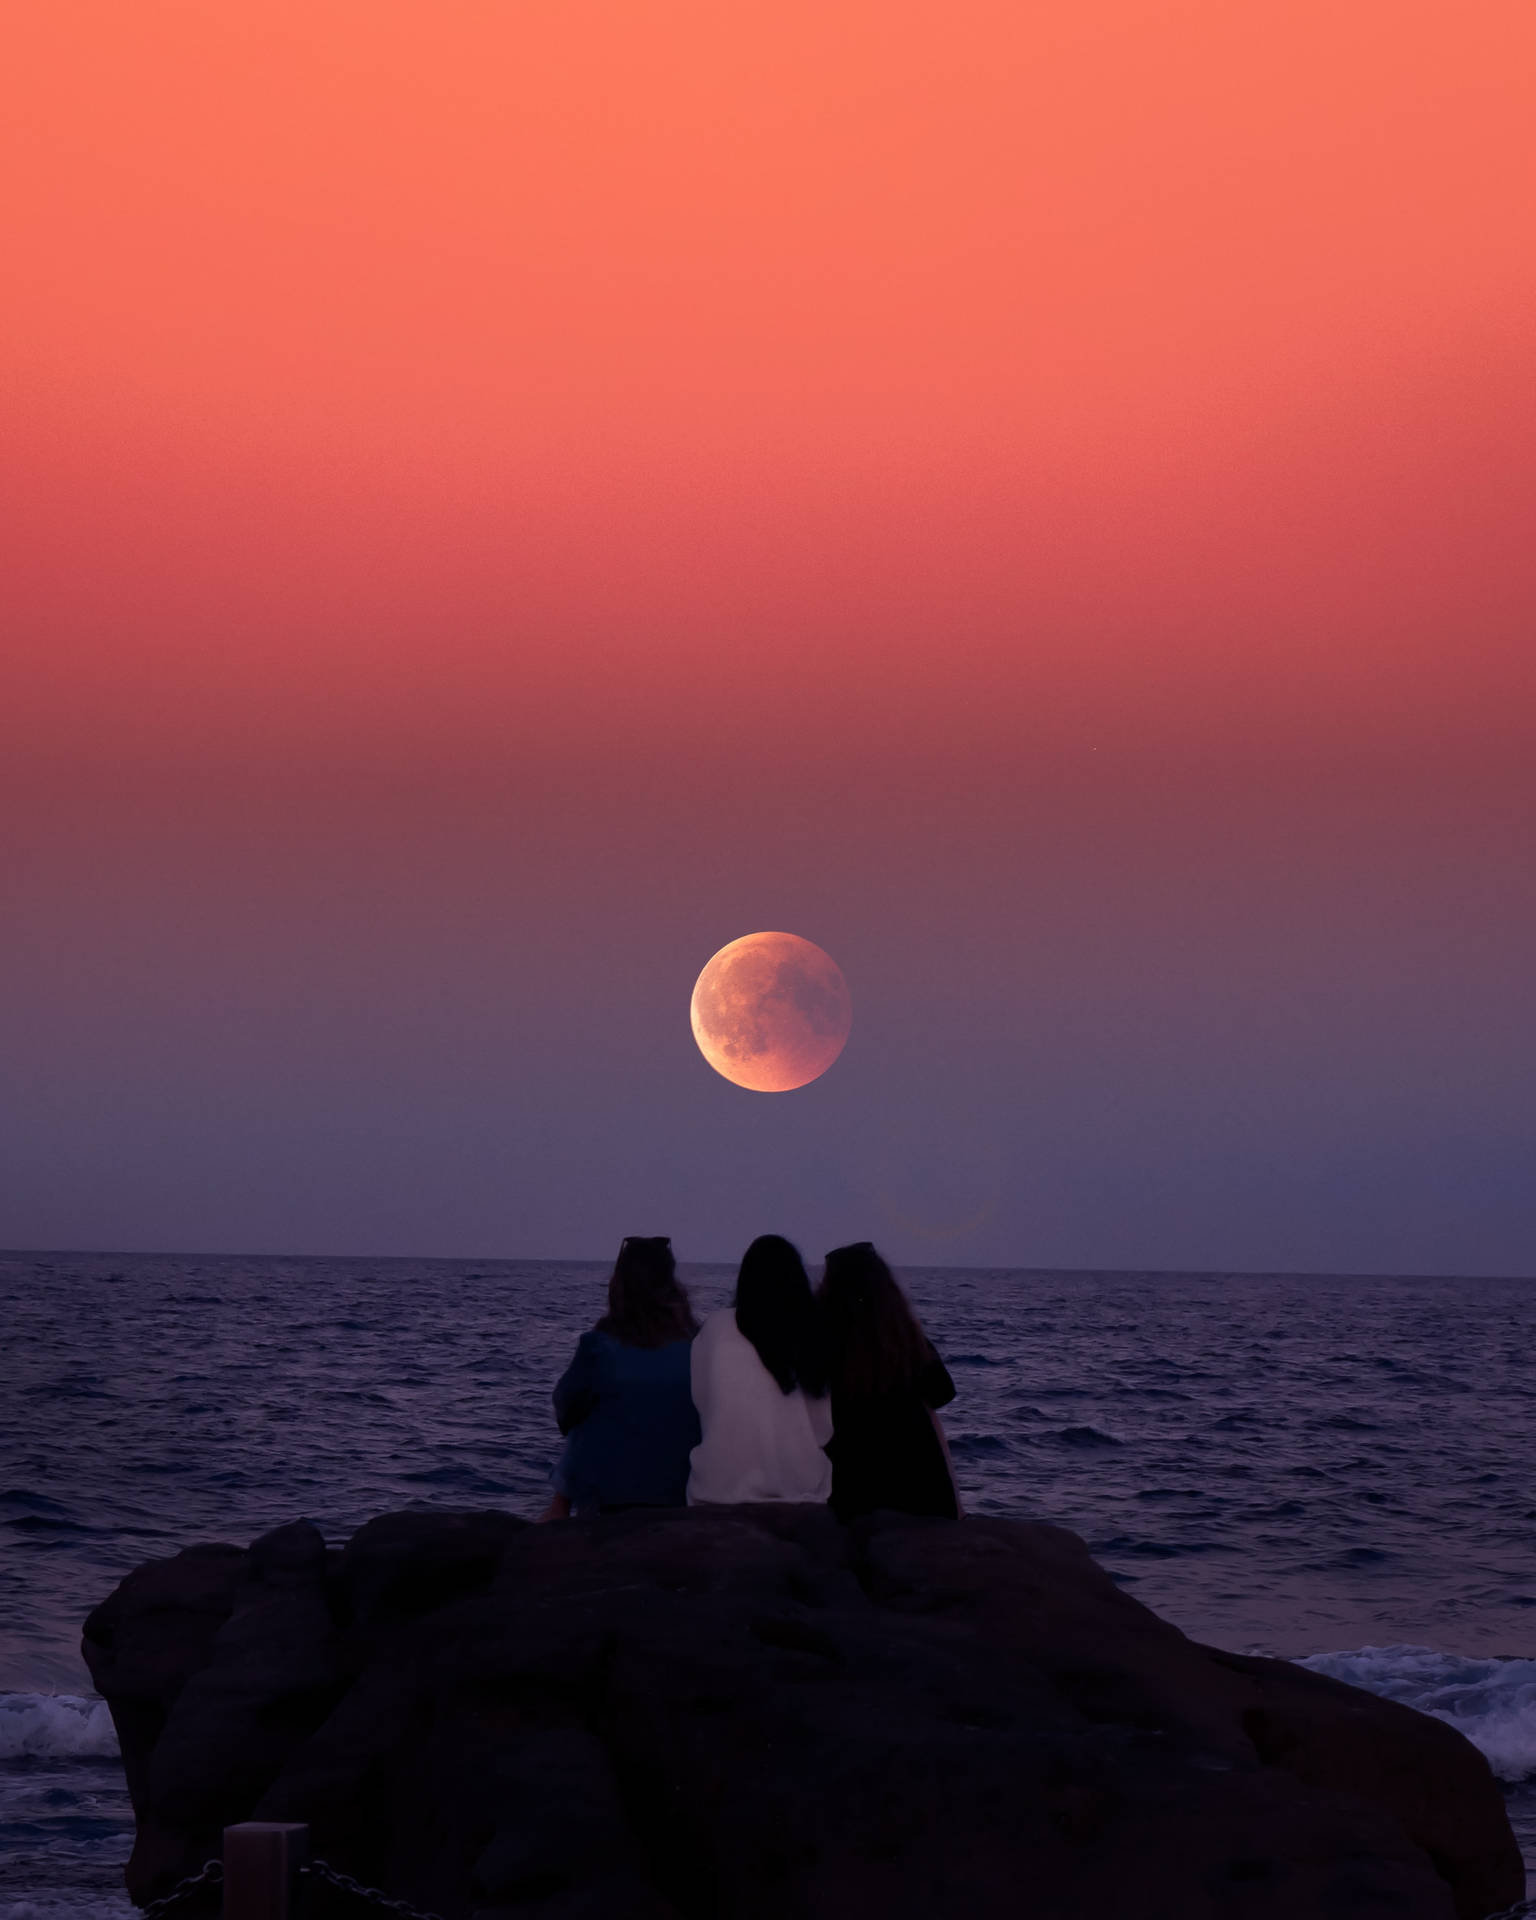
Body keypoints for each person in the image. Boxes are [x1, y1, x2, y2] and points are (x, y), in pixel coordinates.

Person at [542, 1236, 701, 1518]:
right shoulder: (697, 1344)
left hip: (611, 1497)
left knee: (587, 1415)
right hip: (681, 1489)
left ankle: (558, 1508)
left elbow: (564, 1410)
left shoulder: (599, 1345)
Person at [817, 1241, 960, 1520]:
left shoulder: (821, 1341)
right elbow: (941, 1395)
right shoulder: (906, 1342)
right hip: (917, 1487)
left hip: (850, 1487)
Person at [687, 1234, 833, 1505]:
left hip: (718, 1489)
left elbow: (702, 1402)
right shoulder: (811, 1333)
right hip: (798, 1490)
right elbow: (824, 1428)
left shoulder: (716, 1327)